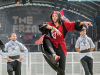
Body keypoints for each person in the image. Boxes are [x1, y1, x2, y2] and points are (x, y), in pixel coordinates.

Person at [37, 11, 93, 75]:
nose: (54, 17)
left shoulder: (64, 24)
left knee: (61, 70)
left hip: (61, 46)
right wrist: (54, 29)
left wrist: (84, 22)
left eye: (56, 16)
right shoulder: (50, 24)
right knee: (45, 38)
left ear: (59, 17)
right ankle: (54, 55)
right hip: (52, 45)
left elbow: (74, 24)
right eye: (53, 16)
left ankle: (56, 57)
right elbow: (42, 26)